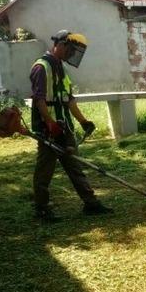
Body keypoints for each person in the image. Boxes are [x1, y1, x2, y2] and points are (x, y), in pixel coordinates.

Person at [30, 30, 113, 222]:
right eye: (71, 50)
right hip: (48, 129)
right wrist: (49, 124)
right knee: (44, 170)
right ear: (61, 45)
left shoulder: (61, 68)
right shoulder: (41, 67)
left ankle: (90, 203)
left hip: (64, 127)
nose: (71, 55)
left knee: (75, 166)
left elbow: (69, 100)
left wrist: (83, 121)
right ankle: (41, 209)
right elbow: (39, 100)